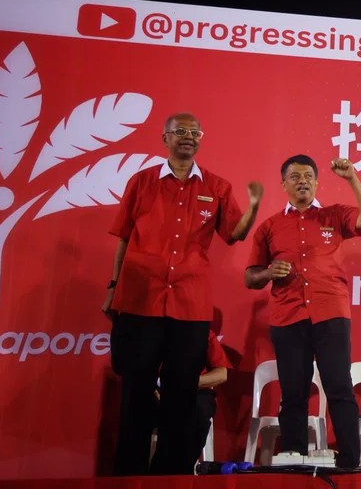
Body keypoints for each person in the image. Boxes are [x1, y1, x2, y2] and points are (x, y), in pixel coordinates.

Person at [103, 113, 263, 476]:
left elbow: (234, 233)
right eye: (180, 132)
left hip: (189, 305)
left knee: (181, 397)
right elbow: (125, 238)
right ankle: (127, 477)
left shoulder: (217, 186)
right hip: (140, 299)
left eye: (194, 132)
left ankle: (168, 478)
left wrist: (252, 209)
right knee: (136, 395)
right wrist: (113, 287)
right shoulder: (142, 182)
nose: (188, 137)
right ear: (165, 139)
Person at [245, 154, 361, 468]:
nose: (302, 181)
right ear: (284, 185)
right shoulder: (269, 226)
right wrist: (267, 274)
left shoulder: (334, 215)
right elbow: (250, 276)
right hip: (287, 316)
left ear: (317, 182)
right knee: (293, 391)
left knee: (339, 387)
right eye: (294, 176)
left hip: (330, 312)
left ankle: (349, 460)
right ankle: (293, 456)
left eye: (308, 176)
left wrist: (351, 178)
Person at [152, 330, 232, 458]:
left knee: (197, 412)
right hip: (156, 391)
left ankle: (183, 466)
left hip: (195, 392)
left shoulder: (203, 332)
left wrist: (187, 382)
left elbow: (222, 374)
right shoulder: (150, 330)